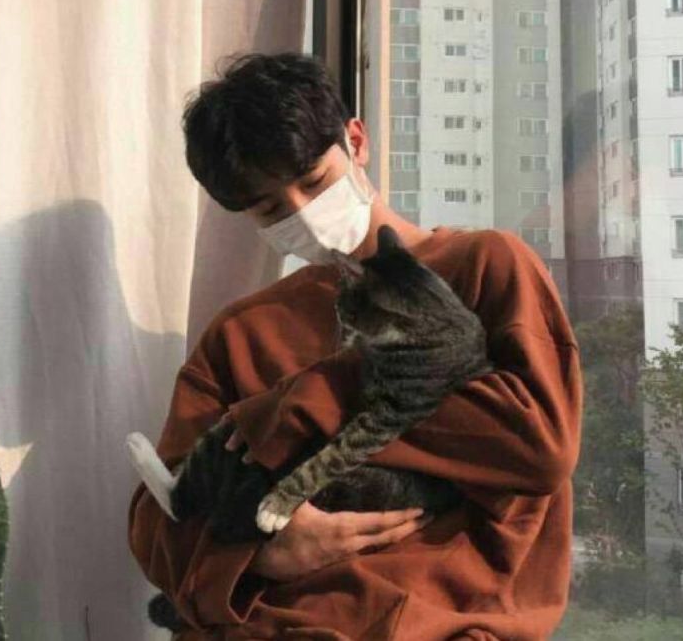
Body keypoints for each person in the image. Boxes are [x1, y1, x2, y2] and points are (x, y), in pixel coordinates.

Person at [128, 52, 583, 640]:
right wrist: (261, 554)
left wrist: (311, 398)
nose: (304, 215)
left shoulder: (483, 267)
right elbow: (157, 519)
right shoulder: (241, 334)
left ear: (357, 141)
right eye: (270, 208)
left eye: (315, 181)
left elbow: (538, 445)